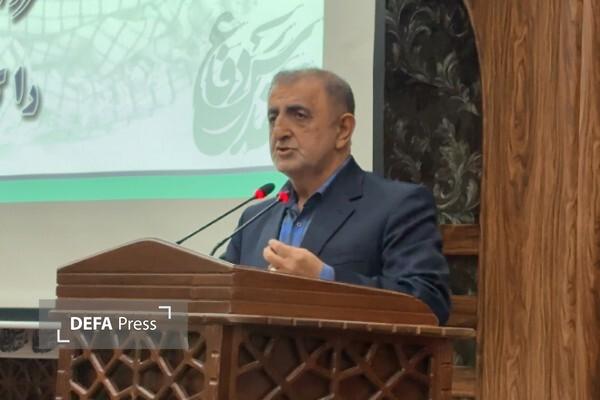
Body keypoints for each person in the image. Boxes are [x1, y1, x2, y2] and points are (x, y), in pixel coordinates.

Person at [222, 68, 450, 324]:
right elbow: (215, 298)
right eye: (273, 117)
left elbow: (428, 303)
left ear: (343, 130)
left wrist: (324, 279)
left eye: (299, 115)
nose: (279, 132)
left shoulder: (399, 205)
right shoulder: (253, 219)